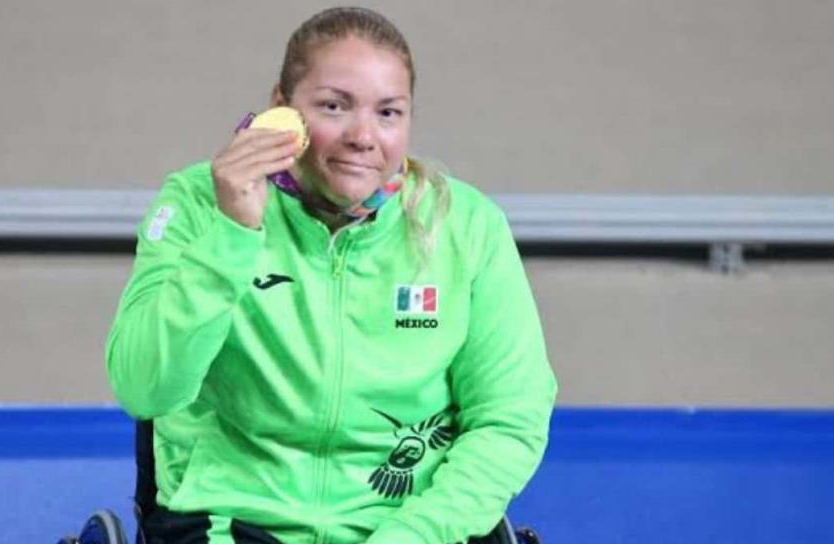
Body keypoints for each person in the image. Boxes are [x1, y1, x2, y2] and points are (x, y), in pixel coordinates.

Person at [104, 6, 557, 544]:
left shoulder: (468, 226)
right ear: (281, 108)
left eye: (389, 113)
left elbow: (509, 419)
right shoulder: (199, 203)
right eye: (334, 106)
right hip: (230, 524)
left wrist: (410, 536)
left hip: (410, 529)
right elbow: (144, 388)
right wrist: (232, 235)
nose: (364, 137)